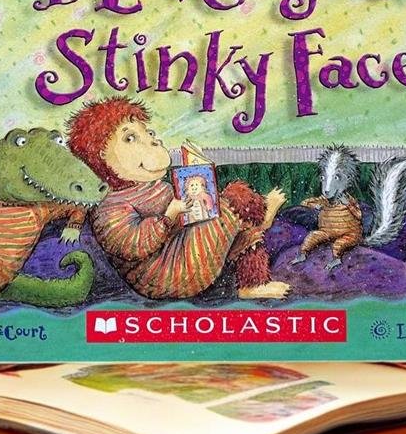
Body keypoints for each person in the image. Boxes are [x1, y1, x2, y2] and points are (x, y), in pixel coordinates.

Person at [66, 97, 289, 300]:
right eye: (130, 138)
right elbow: (133, 246)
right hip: (164, 274)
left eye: (148, 133)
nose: (153, 141)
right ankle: (261, 216)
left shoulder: (155, 186)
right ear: (100, 156)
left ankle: (252, 283)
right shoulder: (108, 206)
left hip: (182, 248)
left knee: (230, 212)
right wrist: (168, 216)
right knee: (230, 204)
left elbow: (183, 219)